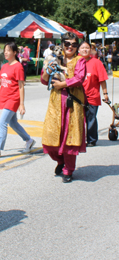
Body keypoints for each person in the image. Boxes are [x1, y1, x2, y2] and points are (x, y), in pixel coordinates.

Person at [41, 32, 86, 183]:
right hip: (56, 101)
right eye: (67, 44)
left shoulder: (80, 61)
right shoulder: (54, 58)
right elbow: (43, 79)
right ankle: (60, 160)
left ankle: (68, 170)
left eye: (74, 44)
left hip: (73, 103)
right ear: (62, 44)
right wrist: (47, 70)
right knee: (51, 135)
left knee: (70, 137)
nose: (70, 47)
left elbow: (79, 78)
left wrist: (63, 84)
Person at [0, 42, 35, 159]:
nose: (5, 52)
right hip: (5, 97)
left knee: (2, 123)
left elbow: (21, 86)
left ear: (15, 53)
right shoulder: (4, 66)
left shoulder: (18, 66)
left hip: (13, 99)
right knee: (13, 123)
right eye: (5, 50)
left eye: (8, 50)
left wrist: (22, 104)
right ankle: (29, 140)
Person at [79, 41, 109, 146]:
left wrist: (105, 93)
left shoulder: (96, 63)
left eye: (87, 48)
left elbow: (102, 79)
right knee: (78, 119)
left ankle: (91, 140)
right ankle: (79, 140)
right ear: (78, 50)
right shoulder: (76, 62)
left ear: (91, 50)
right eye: (82, 48)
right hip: (78, 96)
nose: (85, 50)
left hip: (92, 96)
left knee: (91, 119)